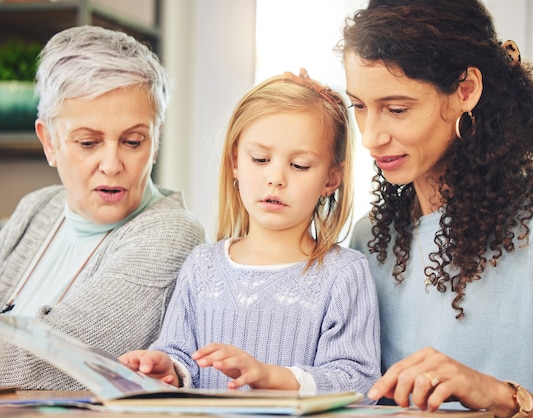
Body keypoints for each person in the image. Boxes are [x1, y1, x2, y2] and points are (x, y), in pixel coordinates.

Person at [341, 1, 533, 417]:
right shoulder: (371, 235)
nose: (370, 137)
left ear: (465, 91)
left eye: (397, 109)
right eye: (360, 106)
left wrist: (497, 395)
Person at [0, 25, 206, 390]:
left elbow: (59, 356)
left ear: (155, 141)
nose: (111, 164)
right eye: (89, 142)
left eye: (133, 141)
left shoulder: (171, 233)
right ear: (49, 142)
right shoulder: (37, 208)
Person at [119, 69, 380, 397]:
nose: (276, 178)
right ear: (235, 163)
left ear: (330, 179)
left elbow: (358, 379)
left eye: (299, 165)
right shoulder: (202, 266)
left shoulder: (344, 274)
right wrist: (165, 368)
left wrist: (271, 377)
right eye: (260, 159)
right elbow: (179, 353)